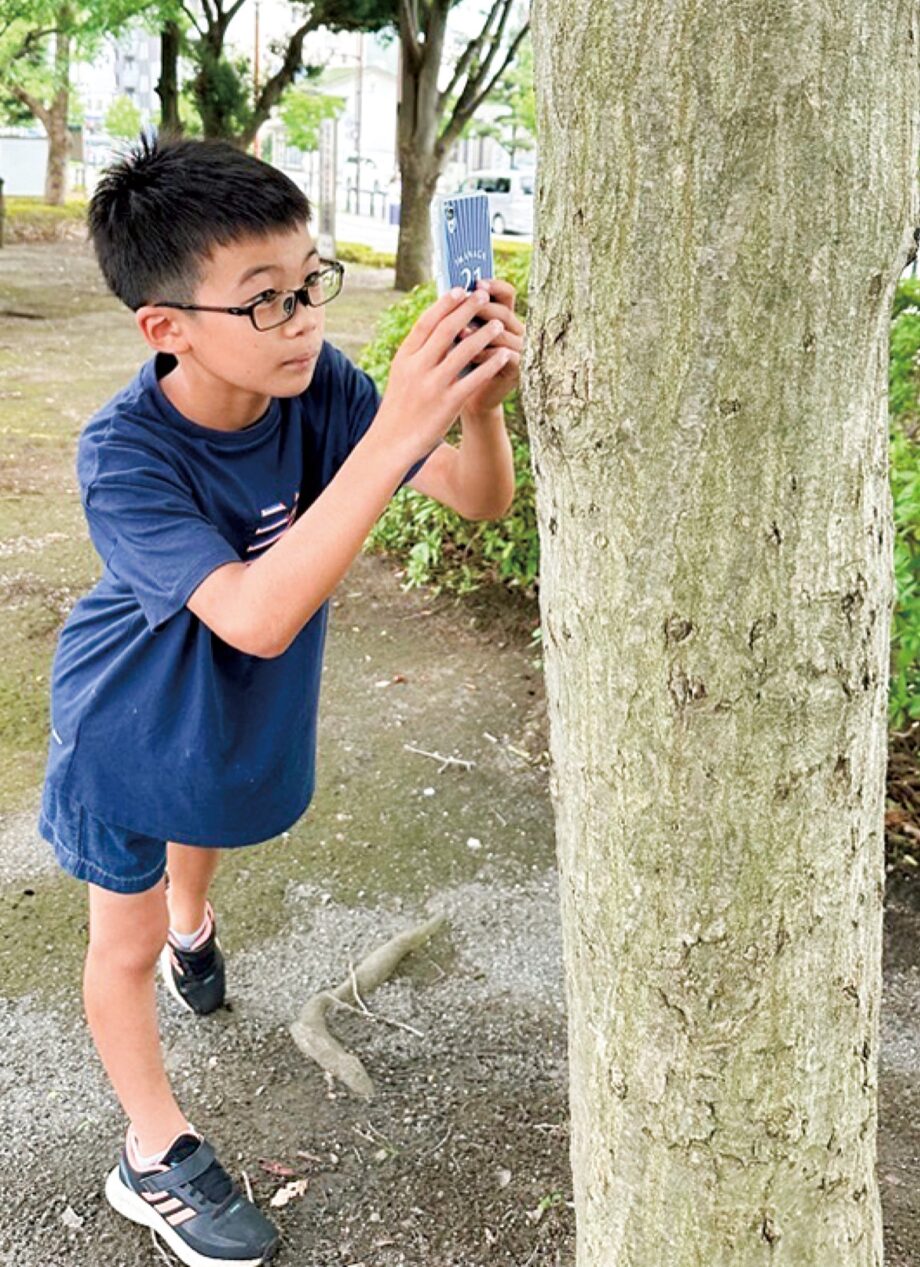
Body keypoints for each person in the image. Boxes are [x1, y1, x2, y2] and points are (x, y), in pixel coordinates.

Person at [37, 134, 523, 1267]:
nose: (302, 318)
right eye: (263, 300)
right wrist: (403, 420)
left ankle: (192, 931)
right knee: (121, 938)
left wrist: (477, 407)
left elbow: (478, 500)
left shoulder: (320, 388)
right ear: (164, 324)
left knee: (205, 823)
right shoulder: (123, 453)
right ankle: (152, 1153)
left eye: (309, 283)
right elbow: (252, 611)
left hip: (236, 703)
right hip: (127, 712)